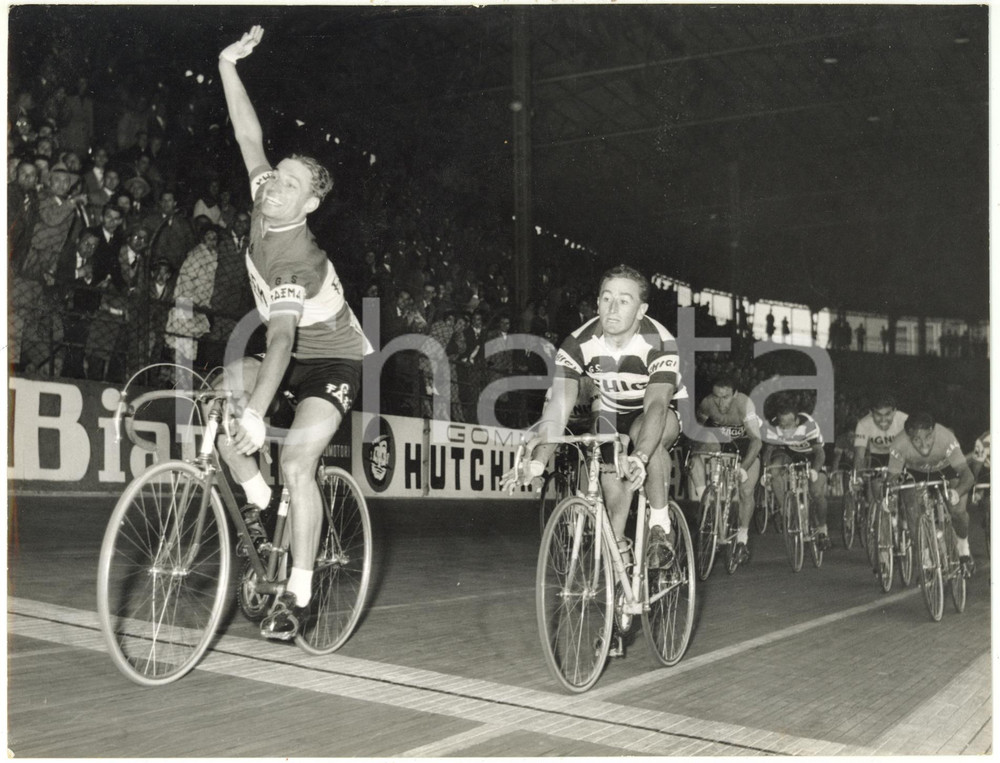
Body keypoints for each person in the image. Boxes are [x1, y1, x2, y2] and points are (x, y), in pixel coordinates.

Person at [217, 26, 371, 640]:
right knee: (225, 404)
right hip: (288, 349)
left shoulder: (296, 261)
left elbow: (281, 341)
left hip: (331, 360)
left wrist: (260, 415)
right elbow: (247, 136)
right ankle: (260, 504)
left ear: (309, 206)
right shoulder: (268, 196)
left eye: (290, 185)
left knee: (297, 460)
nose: (274, 185)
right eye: (276, 177)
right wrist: (227, 64)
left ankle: (301, 593)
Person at [503, 264, 685, 654]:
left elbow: (656, 407)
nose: (612, 308)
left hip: (657, 412)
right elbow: (558, 409)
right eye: (606, 298)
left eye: (624, 300)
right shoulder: (577, 343)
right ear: (597, 302)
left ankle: (660, 525)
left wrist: (639, 456)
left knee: (650, 443)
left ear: (641, 310)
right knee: (615, 515)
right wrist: (537, 462)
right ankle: (623, 606)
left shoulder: (659, 341)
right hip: (610, 412)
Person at [887, 412, 976, 577]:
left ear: (933, 431)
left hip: (946, 469)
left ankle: (963, 547)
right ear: (908, 437)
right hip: (916, 473)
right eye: (916, 439)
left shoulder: (945, 437)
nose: (923, 444)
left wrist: (957, 492)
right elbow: (892, 478)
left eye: (928, 437)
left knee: (957, 510)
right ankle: (925, 557)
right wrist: (890, 494)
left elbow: (968, 475)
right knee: (912, 509)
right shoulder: (899, 444)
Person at [685, 375, 763, 563]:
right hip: (721, 443)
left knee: (746, 491)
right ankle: (707, 505)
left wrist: (743, 468)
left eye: (725, 397)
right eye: (717, 397)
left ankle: (742, 538)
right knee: (696, 456)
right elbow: (695, 430)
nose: (720, 403)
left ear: (735, 394)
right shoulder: (707, 404)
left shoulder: (745, 404)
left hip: (746, 446)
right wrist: (694, 448)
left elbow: (757, 441)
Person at [761, 399, 832, 550]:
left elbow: (820, 453)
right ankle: (785, 510)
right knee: (774, 470)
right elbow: (768, 451)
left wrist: (814, 471)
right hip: (790, 453)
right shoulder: (773, 426)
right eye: (783, 425)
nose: (786, 429)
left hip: (812, 456)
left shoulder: (808, 425)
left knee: (816, 491)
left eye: (790, 425)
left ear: (797, 421)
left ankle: (822, 529)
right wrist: (766, 471)